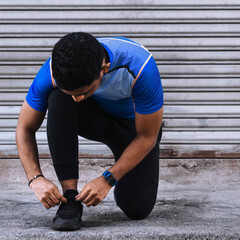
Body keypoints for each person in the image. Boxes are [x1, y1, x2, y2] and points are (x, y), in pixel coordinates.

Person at [15, 32, 163, 231]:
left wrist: (107, 179)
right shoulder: (53, 69)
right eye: (74, 94)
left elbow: (148, 136)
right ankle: (70, 198)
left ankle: (126, 179)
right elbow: (24, 128)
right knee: (59, 99)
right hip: (95, 118)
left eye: (84, 92)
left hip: (133, 129)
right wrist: (35, 178)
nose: (78, 98)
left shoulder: (139, 65)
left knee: (137, 209)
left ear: (105, 68)